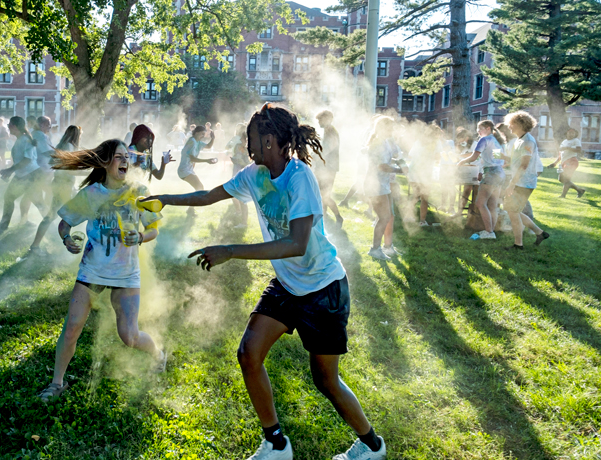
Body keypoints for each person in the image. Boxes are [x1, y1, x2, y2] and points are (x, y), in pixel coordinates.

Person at [142, 103, 386, 460]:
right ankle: (276, 444)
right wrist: (165, 199)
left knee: (325, 380)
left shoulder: (298, 177)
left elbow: (296, 243)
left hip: (323, 290)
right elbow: (209, 196)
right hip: (288, 287)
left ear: (269, 139)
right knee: (248, 354)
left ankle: (372, 445)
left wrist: (230, 249)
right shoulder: (254, 175)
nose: (246, 144)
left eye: (251, 138)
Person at [38, 139, 166, 402]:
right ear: (105, 163)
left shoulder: (138, 191)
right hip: (91, 272)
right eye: (118, 157)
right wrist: (67, 238)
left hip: (125, 275)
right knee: (72, 327)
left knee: (129, 336)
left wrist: (141, 237)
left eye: (126, 157)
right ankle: (57, 383)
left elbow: (154, 229)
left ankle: (159, 355)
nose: (124, 161)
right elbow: (64, 224)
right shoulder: (92, 194)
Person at [0, 117, 47, 238]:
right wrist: (10, 171)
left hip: (31, 175)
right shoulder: (21, 139)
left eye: (10, 125)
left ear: (14, 126)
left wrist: (10, 170)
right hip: (25, 175)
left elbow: (27, 160)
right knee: (29, 201)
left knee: (37, 202)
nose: (8, 127)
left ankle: (52, 226)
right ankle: (4, 225)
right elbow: (21, 160)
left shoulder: (25, 140)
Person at [28, 125, 82, 253]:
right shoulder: (69, 147)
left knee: (58, 215)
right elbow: (69, 171)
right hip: (63, 187)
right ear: (76, 135)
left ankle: (62, 241)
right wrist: (91, 173)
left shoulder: (63, 145)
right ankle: (39, 245)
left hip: (62, 185)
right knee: (67, 215)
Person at [503, 111, 550, 250]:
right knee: (513, 211)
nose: (509, 127)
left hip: (523, 182)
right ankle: (540, 233)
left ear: (520, 124)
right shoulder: (520, 140)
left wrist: (512, 184)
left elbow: (524, 164)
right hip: (519, 181)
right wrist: (505, 158)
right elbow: (517, 161)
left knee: (513, 213)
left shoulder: (528, 141)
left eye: (511, 124)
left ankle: (518, 245)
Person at [458, 120, 506, 239]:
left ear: (488, 128)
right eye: (477, 130)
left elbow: (474, 156)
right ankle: (491, 232)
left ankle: (489, 232)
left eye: (480, 129)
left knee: (480, 203)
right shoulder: (495, 140)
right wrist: (481, 171)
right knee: (492, 205)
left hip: (491, 173)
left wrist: (461, 162)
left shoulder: (484, 140)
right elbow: (496, 159)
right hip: (499, 173)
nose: (478, 132)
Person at [365, 117, 401, 261]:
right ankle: (374, 249)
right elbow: (381, 166)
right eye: (390, 128)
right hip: (374, 184)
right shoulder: (376, 143)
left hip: (383, 183)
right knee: (384, 217)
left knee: (389, 215)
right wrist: (400, 170)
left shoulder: (386, 142)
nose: (392, 131)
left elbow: (393, 157)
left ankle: (387, 246)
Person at [178, 125, 217, 215]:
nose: (203, 136)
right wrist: (207, 161)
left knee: (199, 187)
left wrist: (213, 138)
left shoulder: (197, 142)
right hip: (184, 170)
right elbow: (192, 158)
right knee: (199, 187)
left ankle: (190, 209)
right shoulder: (192, 142)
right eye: (202, 134)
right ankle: (190, 209)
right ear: (196, 133)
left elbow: (208, 146)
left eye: (204, 134)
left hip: (188, 170)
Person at [406, 124, 440, 227]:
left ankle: (407, 216)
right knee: (424, 197)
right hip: (425, 172)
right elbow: (438, 157)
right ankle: (422, 221)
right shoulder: (436, 143)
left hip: (414, 171)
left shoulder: (418, 141)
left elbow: (410, 155)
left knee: (415, 195)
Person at [316, 110, 343, 227]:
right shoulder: (327, 131)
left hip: (328, 168)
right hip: (325, 167)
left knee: (324, 195)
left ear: (327, 119)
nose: (318, 122)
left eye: (320, 119)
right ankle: (324, 215)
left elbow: (327, 150)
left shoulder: (331, 132)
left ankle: (338, 217)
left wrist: (314, 155)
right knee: (322, 193)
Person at [549, 128, 586, 198]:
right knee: (561, 179)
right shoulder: (564, 142)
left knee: (566, 179)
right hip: (564, 162)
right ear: (566, 133)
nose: (572, 134)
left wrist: (567, 148)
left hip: (572, 161)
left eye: (573, 133)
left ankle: (563, 195)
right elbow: (561, 154)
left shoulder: (576, 141)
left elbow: (579, 150)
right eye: (570, 133)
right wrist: (555, 163)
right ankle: (580, 190)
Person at [454, 128, 478, 217]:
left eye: (461, 138)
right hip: (467, 172)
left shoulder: (475, 144)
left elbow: (473, 155)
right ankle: (459, 211)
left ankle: (473, 212)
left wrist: (460, 156)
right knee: (466, 191)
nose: (460, 141)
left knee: (476, 192)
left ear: (467, 137)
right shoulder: (464, 147)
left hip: (477, 170)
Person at [230, 128, 251, 228]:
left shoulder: (250, 149)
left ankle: (244, 223)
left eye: (243, 139)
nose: (242, 141)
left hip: (243, 174)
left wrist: (241, 162)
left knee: (242, 199)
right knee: (234, 194)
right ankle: (239, 213)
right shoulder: (239, 146)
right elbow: (237, 156)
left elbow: (249, 163)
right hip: (237, 172)